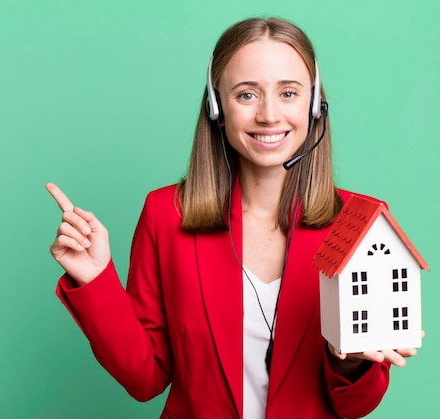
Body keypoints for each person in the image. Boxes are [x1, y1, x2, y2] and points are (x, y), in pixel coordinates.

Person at [46, 17, 419, 418]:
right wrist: (96, 279)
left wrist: (348, 358)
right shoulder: (164, 215)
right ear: (216, 107)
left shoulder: (359, 224)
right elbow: (144, 379)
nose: (270, 115)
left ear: (314, 105)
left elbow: (354, 406)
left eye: (289, 92)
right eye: (246, 95)